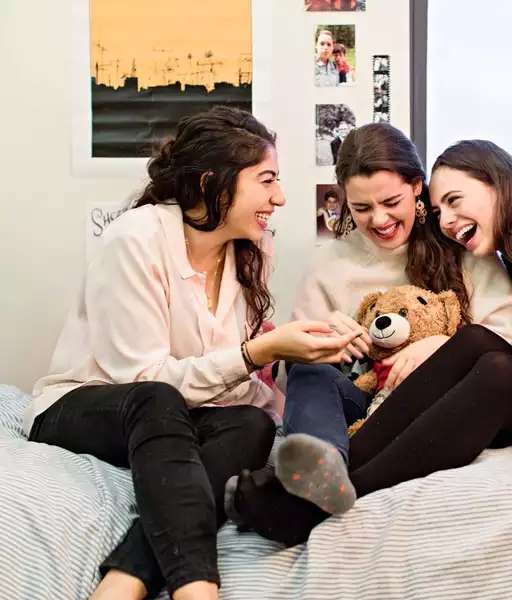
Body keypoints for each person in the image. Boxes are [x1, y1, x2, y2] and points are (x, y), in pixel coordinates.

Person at [227, 138, 512, 547]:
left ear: (499, 183)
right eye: (438, 212)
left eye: (455, 201)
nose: (448, 220)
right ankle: (323, 481)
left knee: (494, 364)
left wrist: (502, 348)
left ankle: (319, 505)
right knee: (481, 352)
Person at [26, 106, 360, 600]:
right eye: (266, 181)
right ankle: (196, 588)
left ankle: (126, 577)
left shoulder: (250, 250)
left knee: (251, 422)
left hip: (173, 412)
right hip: (88, 402)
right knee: (156, 398)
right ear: (213, 182)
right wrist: (258, 351)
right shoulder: (134, 241)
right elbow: (145, 378)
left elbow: (226, 374)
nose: (281, 198)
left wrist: (300, 348)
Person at [224, 123, 512, 520]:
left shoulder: (462, 245)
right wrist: (324, 342)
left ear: (417, 186)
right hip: (358, 404)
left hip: (441, 404)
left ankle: (302, 499)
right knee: (307, 369)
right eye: (361, 208)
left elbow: (507, 342)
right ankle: (322, 464)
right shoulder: (330, 263)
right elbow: (286, 374)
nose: (378, 219)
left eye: (390, 202)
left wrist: (440, 347)